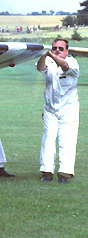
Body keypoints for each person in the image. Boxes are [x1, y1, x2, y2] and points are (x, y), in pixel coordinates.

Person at [36, 38, 79, 183]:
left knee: (66, 140)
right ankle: (46, 172)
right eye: (54, 48)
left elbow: (65, 66)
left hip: (69, 108)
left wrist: (52, 56)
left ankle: (65, 173)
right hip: (50, 108)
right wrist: (44, 55)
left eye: (61, 49)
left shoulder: (72, 62)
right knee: (48, 139)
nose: (57, 51)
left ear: (67, 51)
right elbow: (40, 68)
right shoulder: (48, 62)